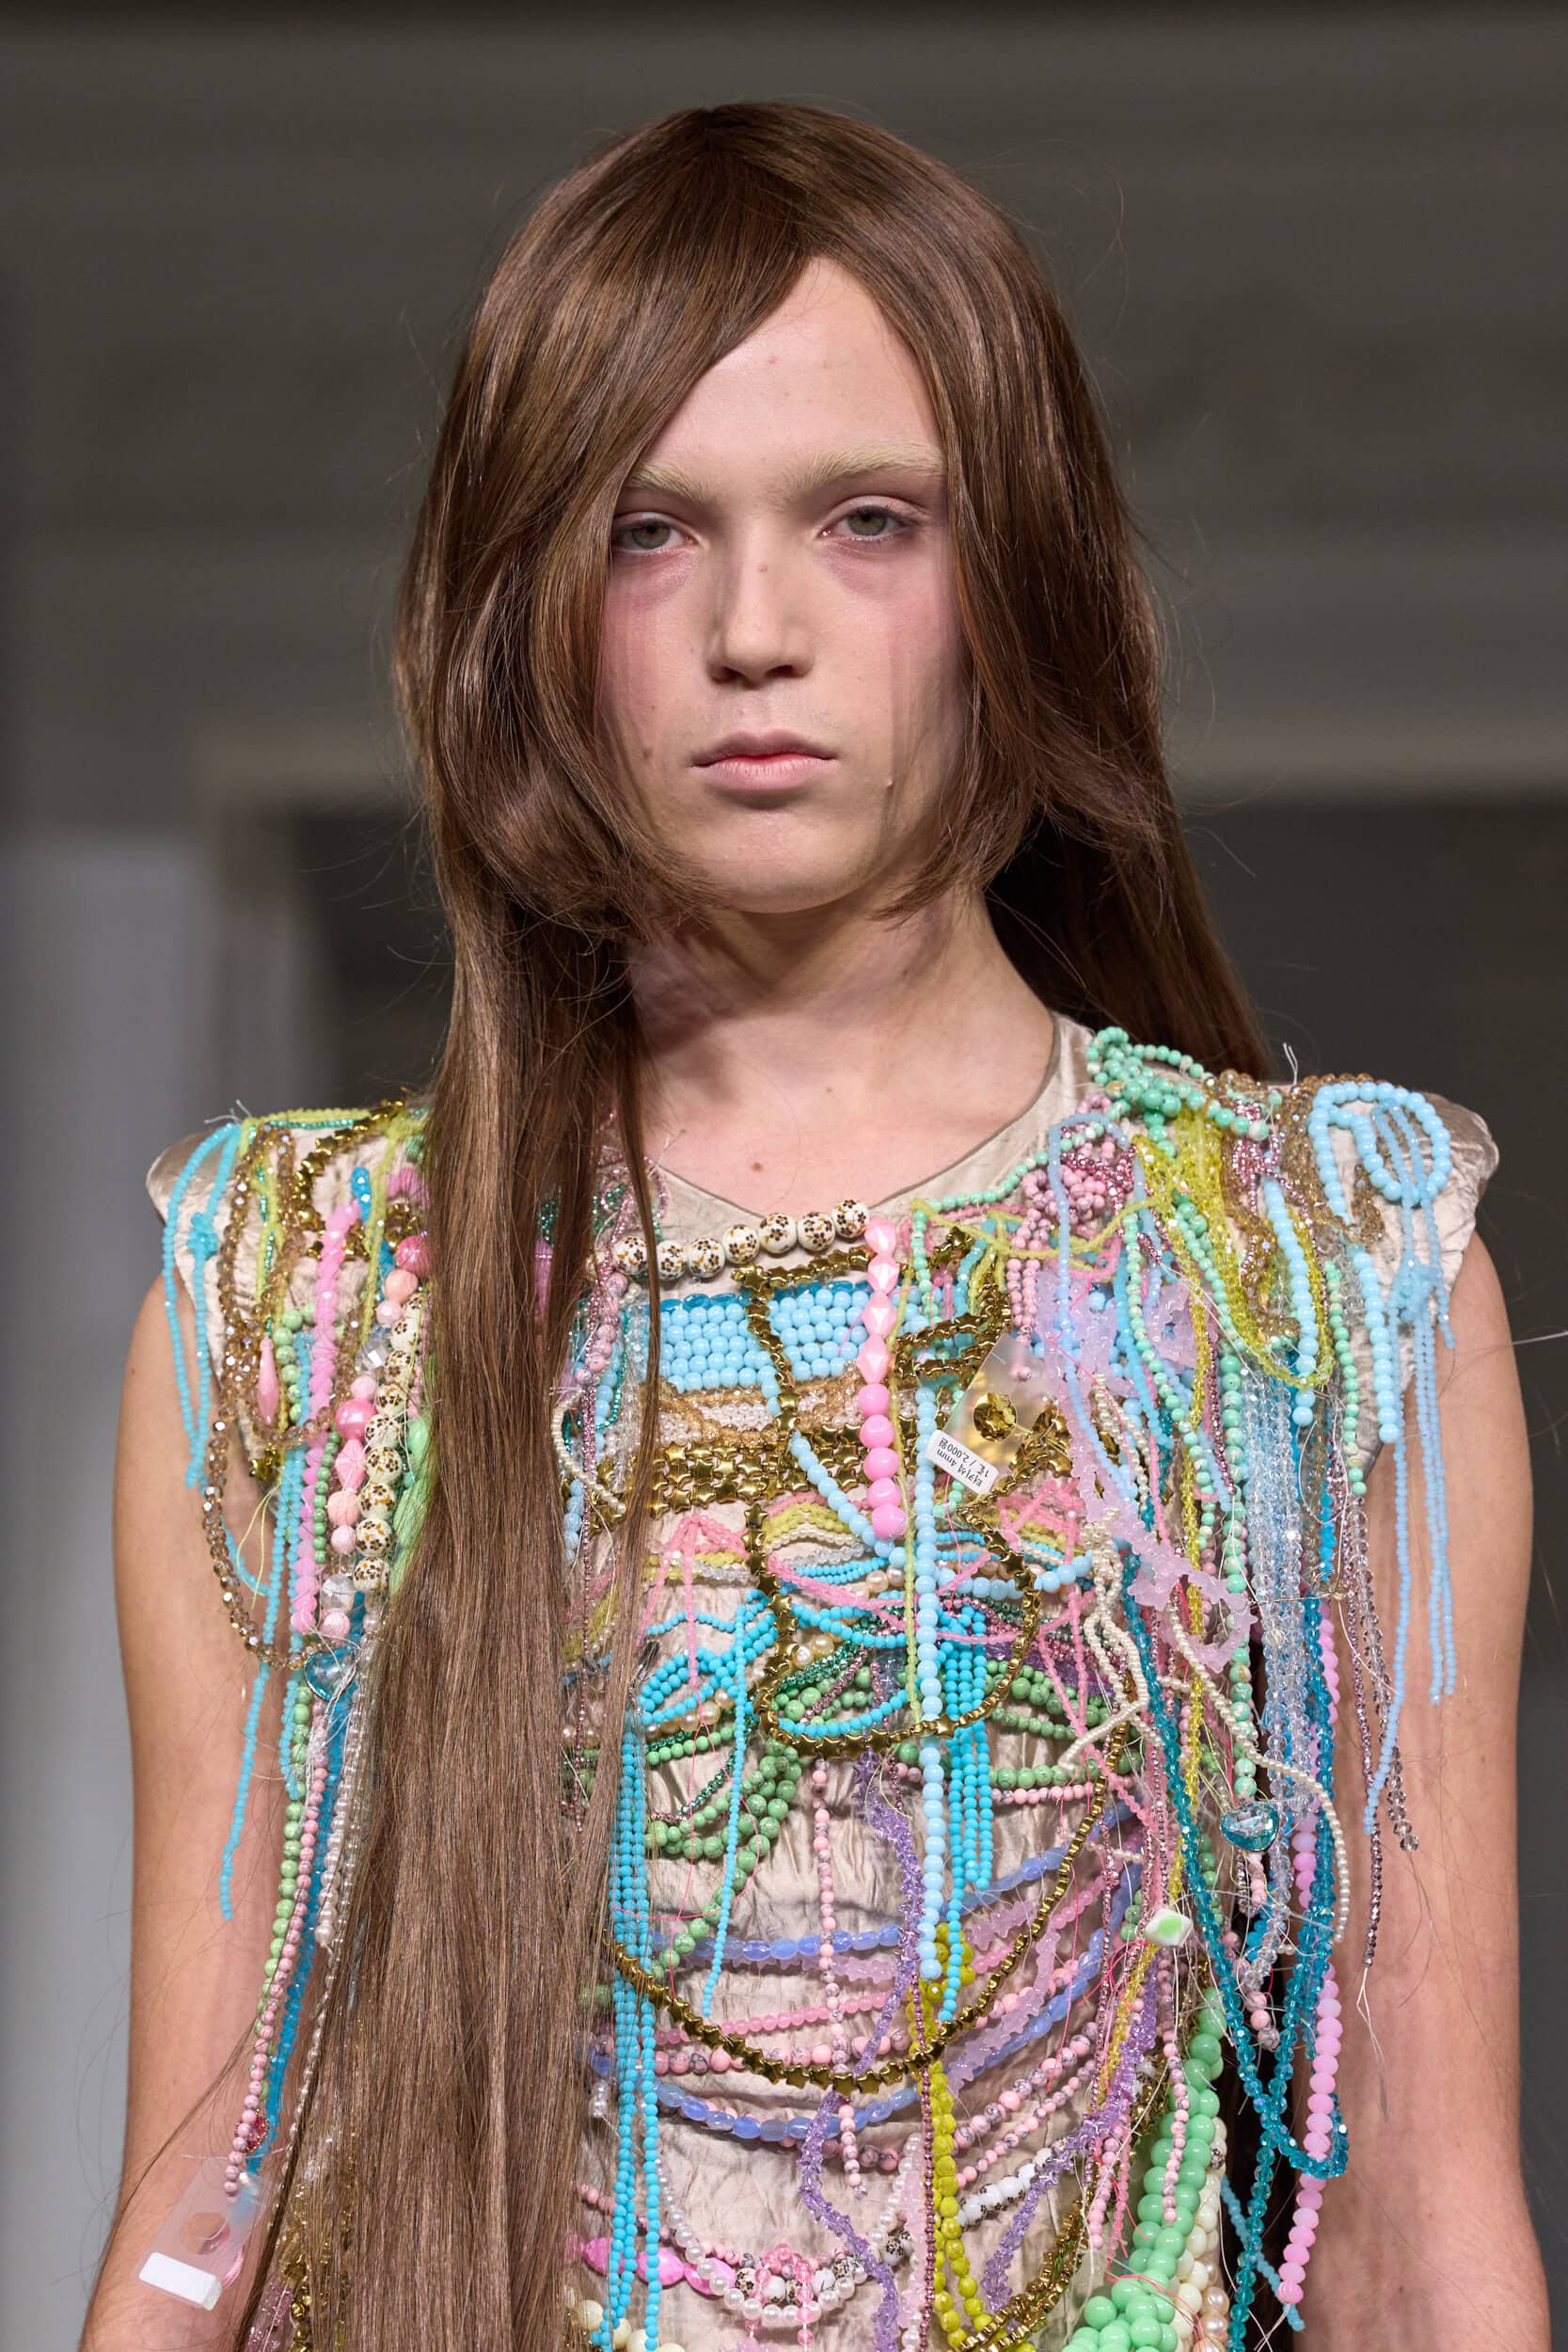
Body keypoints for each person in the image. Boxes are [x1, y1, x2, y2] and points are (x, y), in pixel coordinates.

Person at [84, 103, 1547, 2352]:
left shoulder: (1306, 1276)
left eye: (868, 519)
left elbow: (1416, 2232)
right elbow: (218, 2181)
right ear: (525, 613)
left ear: (1017, 575)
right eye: (647, 530)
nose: (752, 631)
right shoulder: (310, 1292)